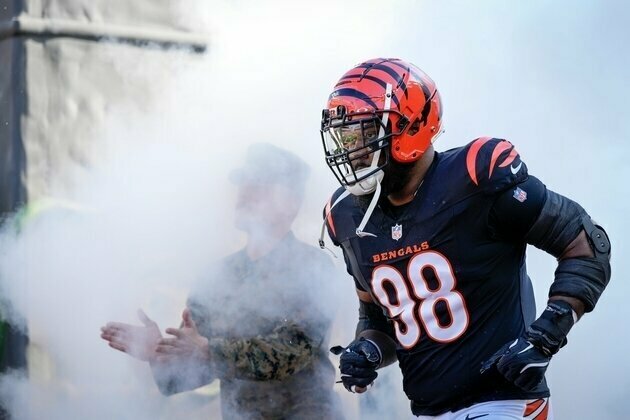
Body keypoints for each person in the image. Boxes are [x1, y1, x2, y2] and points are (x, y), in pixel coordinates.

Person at [319, 58, 611, 419]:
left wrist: (548, 331)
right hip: (429, 410)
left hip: (504, 400)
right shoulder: (347, 214)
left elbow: (586, 242)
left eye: (365, 134)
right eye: (345, 137)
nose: (354, 150)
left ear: (410, 127)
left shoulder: (475, 176)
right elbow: (380, 319)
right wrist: (367, 351)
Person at [101, 143, 343, 419]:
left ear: (291, 202)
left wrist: (208, 351)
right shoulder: (216, 277)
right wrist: (159, 353)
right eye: (244, 183)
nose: (245, 193)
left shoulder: (312, 267)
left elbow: (291, 351)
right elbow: (183, 377)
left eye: (260, 185)